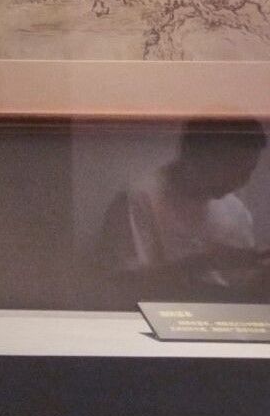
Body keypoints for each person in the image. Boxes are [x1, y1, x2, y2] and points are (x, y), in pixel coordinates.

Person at [97, 121, 270, 298]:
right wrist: (204, 262)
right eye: (231, 166)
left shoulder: (236, 210)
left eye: (248, 171)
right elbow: (122, 287)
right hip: (155, 312)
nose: (241, 180)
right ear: (195, 154)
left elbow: (244, 289)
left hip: (221, 312)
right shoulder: (139, 199)